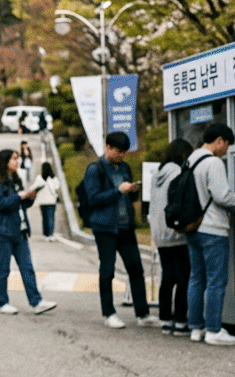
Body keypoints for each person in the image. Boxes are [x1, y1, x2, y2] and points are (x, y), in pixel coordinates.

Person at [82, 131, 160, 329]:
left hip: (126, 226)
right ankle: (109, 313)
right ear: (107, 147)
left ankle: (142, 313)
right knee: (107, 270)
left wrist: (132, 190)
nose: (121, 156)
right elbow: (93, 199)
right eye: (118, 151)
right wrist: (118, 191)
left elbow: (128, 196)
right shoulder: (95, 169)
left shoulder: (124, 167)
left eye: (124, 152)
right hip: (105, 227)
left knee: (136, 269)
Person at [186, 123, 235, 346]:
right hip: (213, 229)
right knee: (216, 280)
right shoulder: (213, 162)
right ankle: (214, 330)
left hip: (193, 228)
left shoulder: (191, 159)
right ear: (219, 141)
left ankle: (196, 327)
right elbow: (222, 197)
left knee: (196, 279)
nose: (227, 150)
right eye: (227, 145)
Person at [0, 149, 57, 316]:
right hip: (2, 232)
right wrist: (20, 197)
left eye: (17, 159)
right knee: (3, 269)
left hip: (20, 230)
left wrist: (29, 197)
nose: (17, 162)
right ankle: (2, 302)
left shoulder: (16, 181)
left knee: (28, 267)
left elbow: (20, 205)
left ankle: (36, 301)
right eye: (13, 159)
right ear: (4, 162)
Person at [150, 139, 193, 336]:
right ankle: (181, 321)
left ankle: (165, 319)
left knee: (167, 277)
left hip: (159, 234)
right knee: (183, 277)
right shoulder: (177, 172)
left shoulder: (157, 175)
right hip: (175, 233)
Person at [31, 162, 61, 242]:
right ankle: (51, 234)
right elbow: (57, 186)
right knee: (51, 218)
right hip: (51, 201)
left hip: (42, 201)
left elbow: (34, 187)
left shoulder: (39, 178)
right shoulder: (53, 178)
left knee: (44, 218)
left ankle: (46, 234)